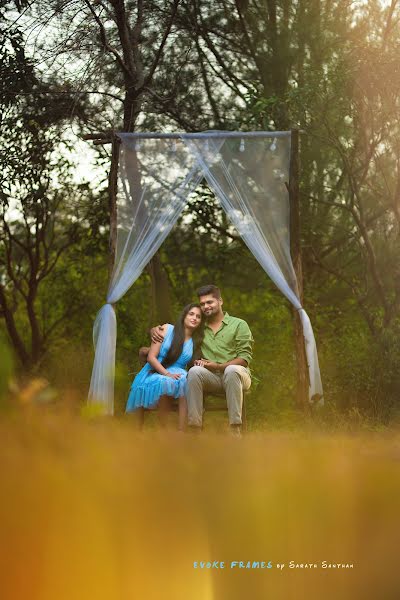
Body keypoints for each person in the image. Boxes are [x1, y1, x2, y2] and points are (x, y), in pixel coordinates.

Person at [151, 285, 253, 434]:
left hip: (237, 376)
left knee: (231, 370)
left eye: (210, 302)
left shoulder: (239, 324)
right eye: (202, 303)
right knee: (194, 371)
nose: (206, 306)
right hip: (211, 378)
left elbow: (244, 359)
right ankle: (195, 430)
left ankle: (235, 430)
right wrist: (155, 330)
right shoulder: (198, 328)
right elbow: (175, 333)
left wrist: (218, 366)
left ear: (220, 301)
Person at [126, 303, 204, 430]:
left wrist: (199, 363)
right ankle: (164, 429)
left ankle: (181, 431)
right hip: (157, 369)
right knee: (166, 382)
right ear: (184, 315)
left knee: (186, 381)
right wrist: (167, 374)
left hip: (180, 372)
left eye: (198, 316)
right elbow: (151, 358)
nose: (194, 318)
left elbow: (195, 362)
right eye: (191, 314)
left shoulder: (195, 341)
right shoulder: (166, 329)